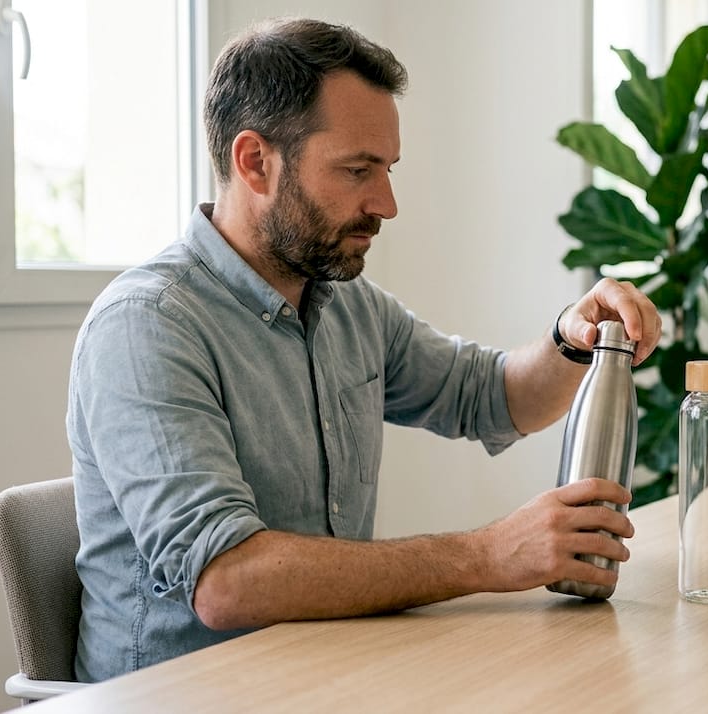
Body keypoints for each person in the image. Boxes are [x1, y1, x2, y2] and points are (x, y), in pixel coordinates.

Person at [66, 17, 661, 682]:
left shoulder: (343, 303)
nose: (387, 203)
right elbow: (227, 580)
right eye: (358, 170)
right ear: (254, 161)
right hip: (191, 695)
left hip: (327, 677)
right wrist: (487, 556)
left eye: (387, 169)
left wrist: (570, 337)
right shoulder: (147, 326)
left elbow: (491, 396)